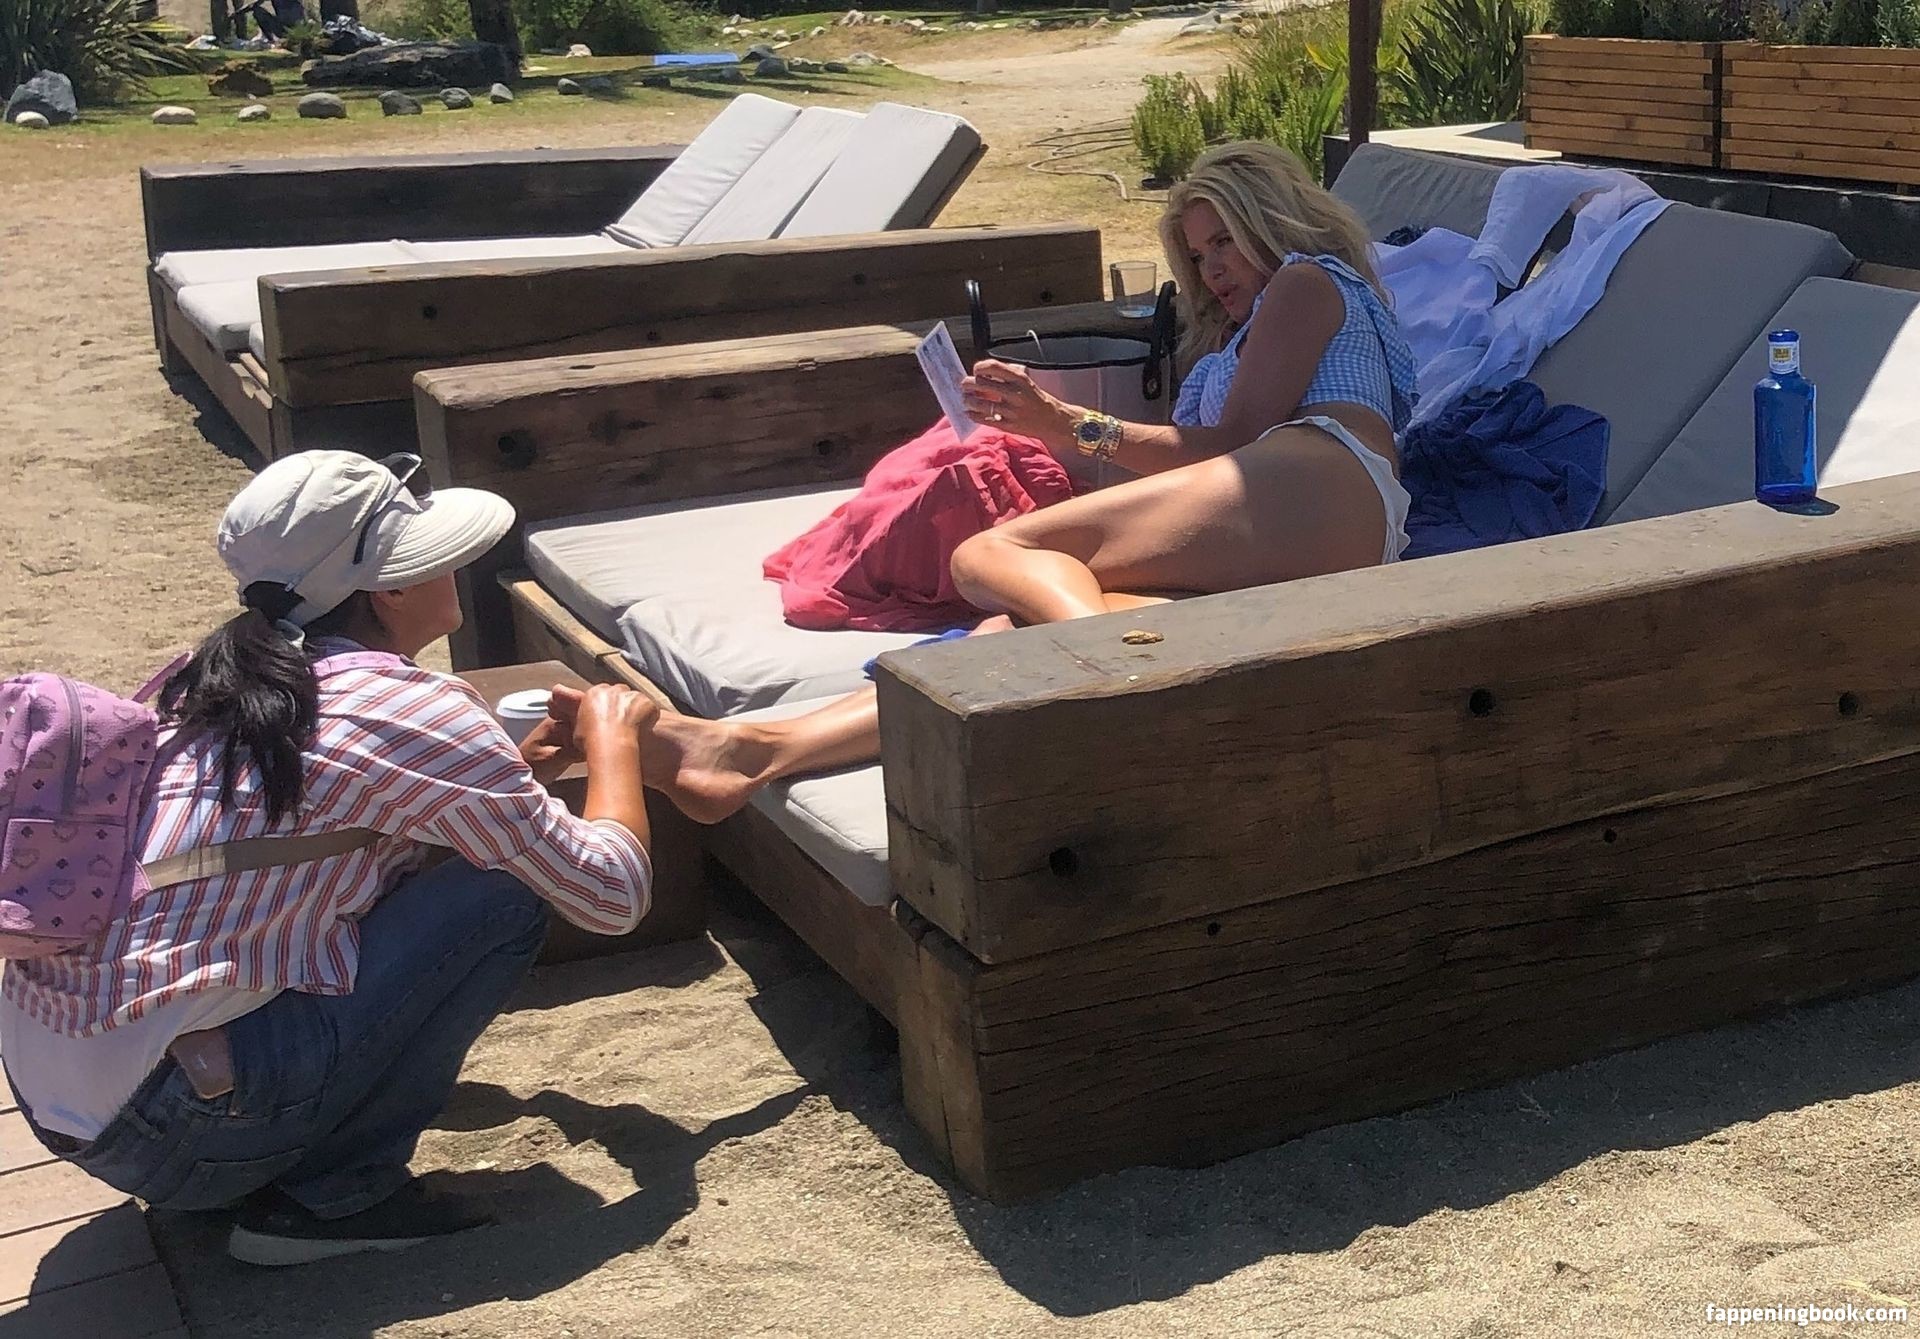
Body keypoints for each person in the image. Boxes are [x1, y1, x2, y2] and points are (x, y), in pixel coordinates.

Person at [614, 139, 1420, 825]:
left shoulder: (1306, 281)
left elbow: (1231, 446)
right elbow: (1209, 462)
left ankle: (1121, 684)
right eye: (1198, 254)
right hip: (1307, 529)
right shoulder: (1237, 337)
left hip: (1325, 474)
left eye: (1224, 242)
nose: (1211, 269)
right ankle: (753, 750)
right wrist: (1047, 434)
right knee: (1012, 628)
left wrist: (1068, 424)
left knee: (990, 554)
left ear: (1269, 218)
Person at [1, 450, 657, 1267]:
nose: (453, 564)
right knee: (503, 895)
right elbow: (611, 894)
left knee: (462, 874)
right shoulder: (403, 707)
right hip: (173, 1132)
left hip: (58, 1101)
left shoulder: (218, 680)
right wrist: (616, 741)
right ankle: (335, 1196)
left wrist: (515, 777)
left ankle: (267, 1139)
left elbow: (324, 832)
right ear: (390, 588)